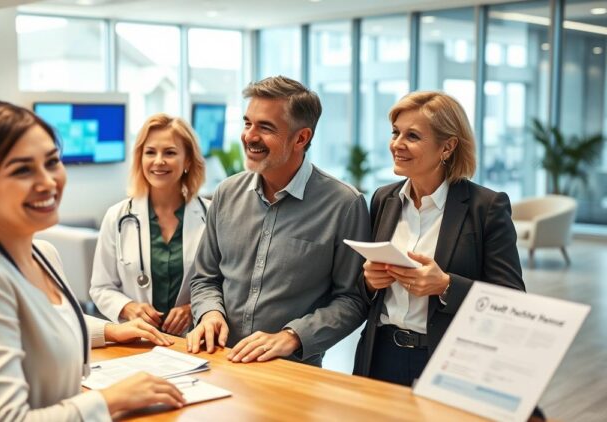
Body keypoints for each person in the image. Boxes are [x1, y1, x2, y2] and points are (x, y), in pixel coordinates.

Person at [0, 98, 185, 421]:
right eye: (22, 170)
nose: (48, 182)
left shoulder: (42, 254)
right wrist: (110, 400)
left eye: (51, 162)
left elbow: (42, 325)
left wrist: (112, 332)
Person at [186, 76, 370, 366]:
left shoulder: (344, 205)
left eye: (266, 127)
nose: (250, 136)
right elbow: (205, 277)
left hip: (288, 370)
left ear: (301, 138)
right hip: (216, 360)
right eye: (248, 123)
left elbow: (353, 300)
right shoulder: (226, 193)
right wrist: (210, 313)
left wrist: (292, 336)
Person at [352, 91, 527, 385]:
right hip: (379, 356)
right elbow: (362, 291)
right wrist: (369, 281)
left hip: (448, 360)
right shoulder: (384, 199)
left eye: (413, 136)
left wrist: (446, 286)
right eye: (395, 133)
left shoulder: (486, 207)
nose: (397, 144)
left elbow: (512, 300)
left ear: (447, 147)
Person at [90, 114, 209, 336]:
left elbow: (227, 284)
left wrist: (194, 309)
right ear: (140, 159)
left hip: (195, 339)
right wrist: (128, 307)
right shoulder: (117, 216)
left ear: (188, 160)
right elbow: (101, 287)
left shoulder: (211, 215)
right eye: (150, 152)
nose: (159, 161)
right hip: (138, 340)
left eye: (170, 152)